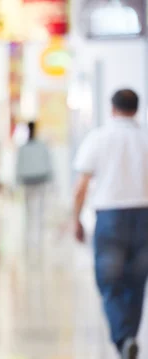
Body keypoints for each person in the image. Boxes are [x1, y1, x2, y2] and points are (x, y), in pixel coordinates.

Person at [73, 89, 148, 359]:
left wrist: (76, 220)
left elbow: (80, 187)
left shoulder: (99, 137)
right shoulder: (145, 138)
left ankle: (122, 337)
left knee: (109, 282)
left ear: (112, 108)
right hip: (143, 217)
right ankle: (128, 337)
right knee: (136, 283)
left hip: (110, 219)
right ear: (136, 109)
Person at [15, 121, 52, 256]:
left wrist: (17, 181)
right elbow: (48, 163)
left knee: (29, 210)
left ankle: (30, 236)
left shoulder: (23, 148)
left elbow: (18, 166)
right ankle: (37, 236)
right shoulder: (41, 147)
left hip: (28, 181)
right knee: (39, 210)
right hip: (39, 180)